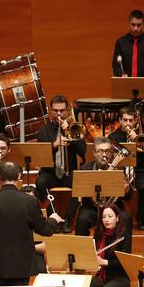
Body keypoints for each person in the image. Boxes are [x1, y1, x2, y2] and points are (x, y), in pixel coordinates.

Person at [35, 95, 85, 233]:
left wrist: (72, 137)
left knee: (80, 182)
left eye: (62, 110)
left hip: (68, 173)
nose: (59, 114)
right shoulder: (44, 131)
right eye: (55, 110)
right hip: (50, 173)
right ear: (50, 111)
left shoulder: (74, 128)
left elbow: (82, 151)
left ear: (67, 110)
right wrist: (55, 145)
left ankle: (68, 218)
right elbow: (40, 155)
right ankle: (53, 217)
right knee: (40, 182)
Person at [75, 137, 132, 236]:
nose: (104, 155)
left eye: (107, 151)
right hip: (92, 208)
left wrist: (126, 189)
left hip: (114, 208)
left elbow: (128, 198)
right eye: (100, 151)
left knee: (126, 219)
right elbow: (81, 194)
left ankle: (123, 246)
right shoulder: (85, 169)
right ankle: (82, 246)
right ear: (94, 153)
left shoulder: (120, 169)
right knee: (82, 219)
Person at [108, 107, 144, 230]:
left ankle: (141, 217)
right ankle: (119, 218)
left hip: (138, 170)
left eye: (131, 120)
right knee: (115, 188)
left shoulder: (141, 137)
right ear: (120, 120)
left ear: (135, 121)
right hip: (120, 171)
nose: (128, 123)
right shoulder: (113, 136)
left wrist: (136, 140)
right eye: (125, 120)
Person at [111, 10, 144, 80]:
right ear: (129, 23)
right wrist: (121, 75)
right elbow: (116, 66)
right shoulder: (120, 43)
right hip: (126, 82)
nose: (135, 28)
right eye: (133, 24)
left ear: (143, 24)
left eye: (139, 25)